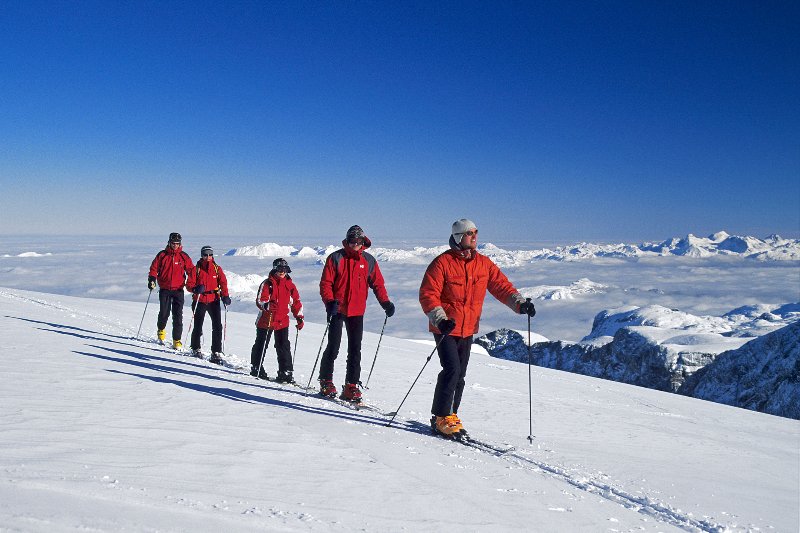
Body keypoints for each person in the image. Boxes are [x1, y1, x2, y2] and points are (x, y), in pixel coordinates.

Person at [419, 219, 536, 438]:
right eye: (469, 233)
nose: (474, 236)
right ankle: (441, 417)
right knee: (451, 370)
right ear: (458, 237)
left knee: (460, 375)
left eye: (475, 232)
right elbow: (428, 294)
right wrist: (440, 319)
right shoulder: (442, 263)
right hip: (445, 328)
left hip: (468, 328)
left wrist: (520, 304)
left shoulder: (483, 263)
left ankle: (450, 415)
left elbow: (501, 286)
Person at [318, 225, 395, 402]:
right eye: (352, 241)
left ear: (363, 242)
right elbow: (326, 284)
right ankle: (326, 381)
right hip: (336, 308)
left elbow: (378, 284)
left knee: (355, 349)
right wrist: (329, 302)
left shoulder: (368, 261)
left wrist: (385, 303)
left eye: (358, 241)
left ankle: (351, 386)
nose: (355, 244)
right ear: (347, 241)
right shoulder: (336, 258)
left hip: (356, 310)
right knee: (334, 346)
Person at [250, 258, 304, 382]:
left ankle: (285, 371)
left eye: (284, 269)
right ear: (275, 269)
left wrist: (299, 317)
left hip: (282, 320)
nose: (282, 272)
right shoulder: (267, 283)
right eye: (279, 269)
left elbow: (296, 302)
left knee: (284, 346)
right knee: (261, 344)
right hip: (266, 319)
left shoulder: (290, 285)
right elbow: (260, 300)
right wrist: (267, 305)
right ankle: (256, 367)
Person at [148, 232, 196, 349]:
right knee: (164, 313)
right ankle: (161, 329)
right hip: (165, 289)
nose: (175, 245)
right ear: (169, 242)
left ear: (180, 244)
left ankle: (176, 340)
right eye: (173, 243)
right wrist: (152, 279)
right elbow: (154, 268)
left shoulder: (184, 256)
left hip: (178, 290)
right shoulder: (162, 255)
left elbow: (191, 271)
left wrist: (194, 284)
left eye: (177, 243)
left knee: (178, 315)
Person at [189, 246, 231, 364]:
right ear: (202, 255)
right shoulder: (196, 269)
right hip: (200, 299)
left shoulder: (217, 269)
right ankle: (195, 348)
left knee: (217, 326)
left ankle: (216, 352)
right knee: (198, 324)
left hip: (214, 300)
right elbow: (189, 284)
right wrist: (195, 288)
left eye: (210, 255)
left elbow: (223, 283)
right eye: (205, 255)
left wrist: (225, 295)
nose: (208, 257)